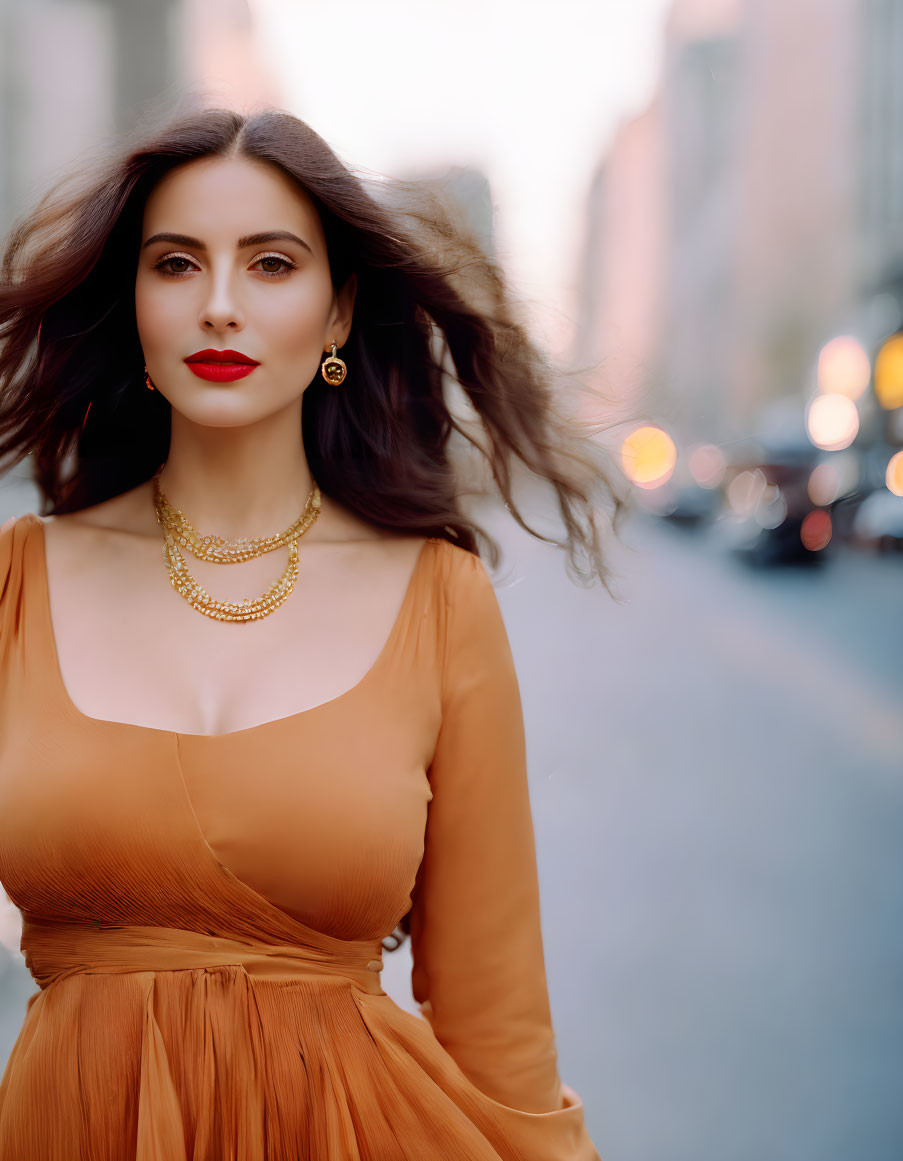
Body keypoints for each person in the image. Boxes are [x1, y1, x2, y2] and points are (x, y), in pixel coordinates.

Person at [0, 104, 625, 1159]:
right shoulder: (21, 582)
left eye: (273, 264)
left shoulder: (439, 601)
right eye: (178, 264)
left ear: (338, 316)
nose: (223, 306)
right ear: (135, 306)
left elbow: (497, 1024)